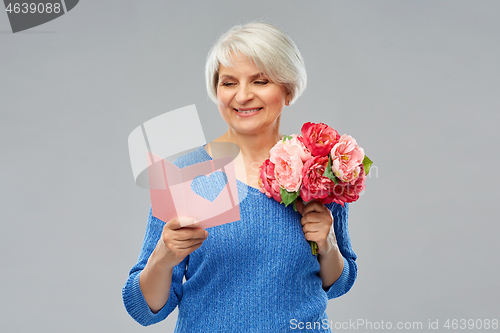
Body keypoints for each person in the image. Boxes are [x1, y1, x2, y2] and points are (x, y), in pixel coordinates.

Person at [122, 21, 357, 332]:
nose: (242, 96)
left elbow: (339, 282)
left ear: (288, 90)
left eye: (260, 81)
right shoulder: (184, 176)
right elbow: (143, 310)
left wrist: (328, 245)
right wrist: (162, 259)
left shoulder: (318, 172)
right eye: (229, 83)